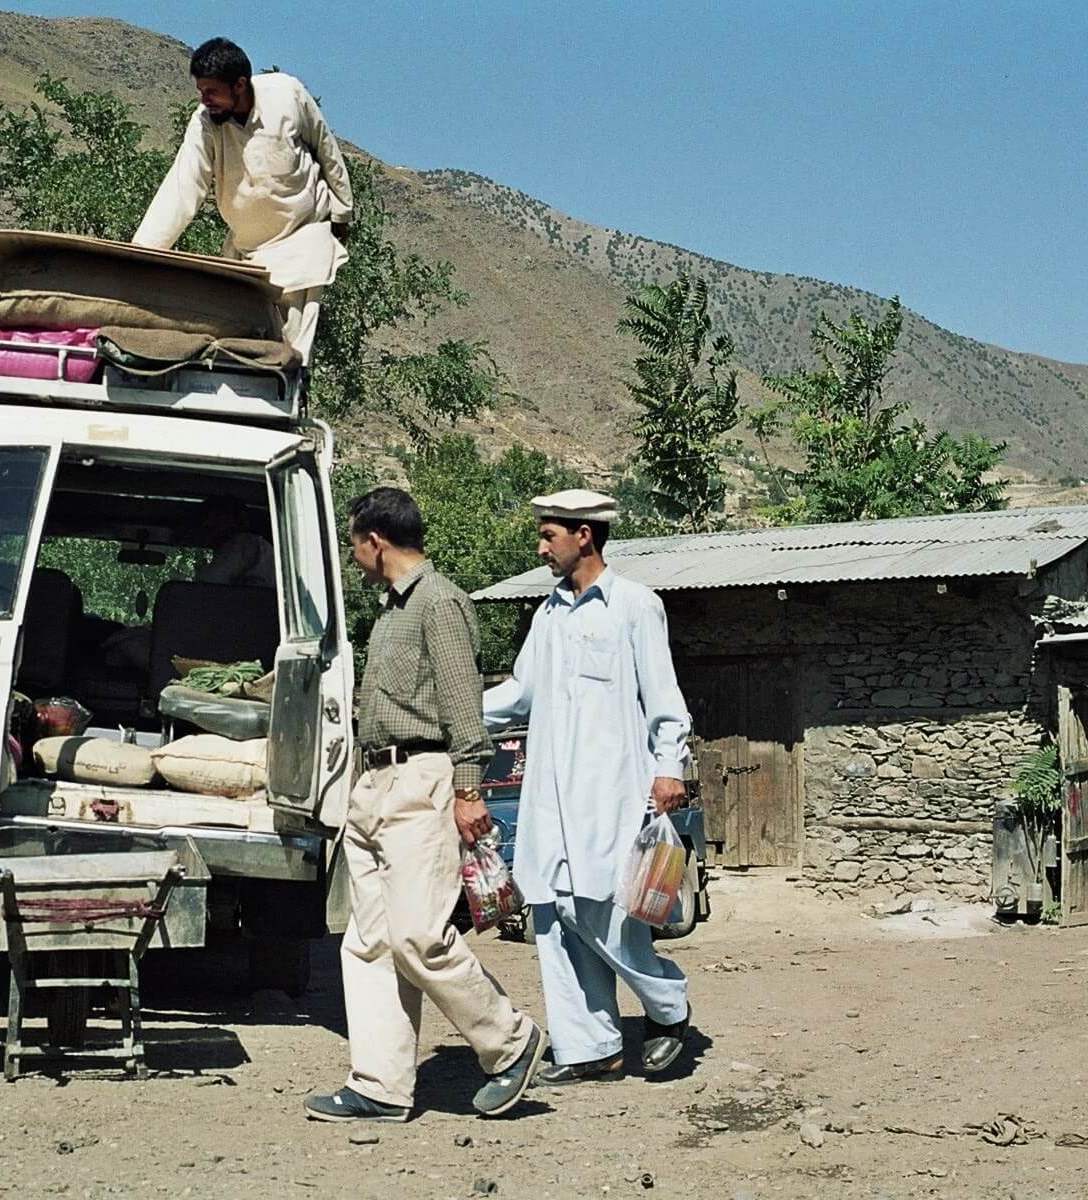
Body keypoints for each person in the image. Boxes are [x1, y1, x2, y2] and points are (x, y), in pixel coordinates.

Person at [304, 487, 546, 1123]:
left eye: (354, 541)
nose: (353, 553)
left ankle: (511, 1040)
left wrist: (468, 790)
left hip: (423, 781)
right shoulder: (389, 612)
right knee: (369, 943)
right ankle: (379, 1086)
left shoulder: (439, 603)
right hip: (376, 785)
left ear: (373, 541)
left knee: (418, 935)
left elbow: (465, 708)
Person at [483, 489, 695, 1079]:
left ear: (585, 535)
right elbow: (520, 694)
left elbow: (665, 701)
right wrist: (455, 712)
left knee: (607, 913)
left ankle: (668, 1007)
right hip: (550, 793)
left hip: (613, 791)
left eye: (549, 535)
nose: (541, 546)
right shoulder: (547, 614)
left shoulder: (634, 605)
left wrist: (668, 767)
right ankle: (590, 1048)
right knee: (551, 915)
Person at [133, 37, 353, 363]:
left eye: (211, 91)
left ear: (239, 84)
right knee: (245, 341)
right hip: (249, 249)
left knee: (292, 348)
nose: (204, 99)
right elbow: (182, 188)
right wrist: (140, 256)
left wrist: (342, 212)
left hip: (303, 237)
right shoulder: (205, 123)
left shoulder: (286, 95)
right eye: (201, 91)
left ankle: (288, 400)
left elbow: (325, 149)